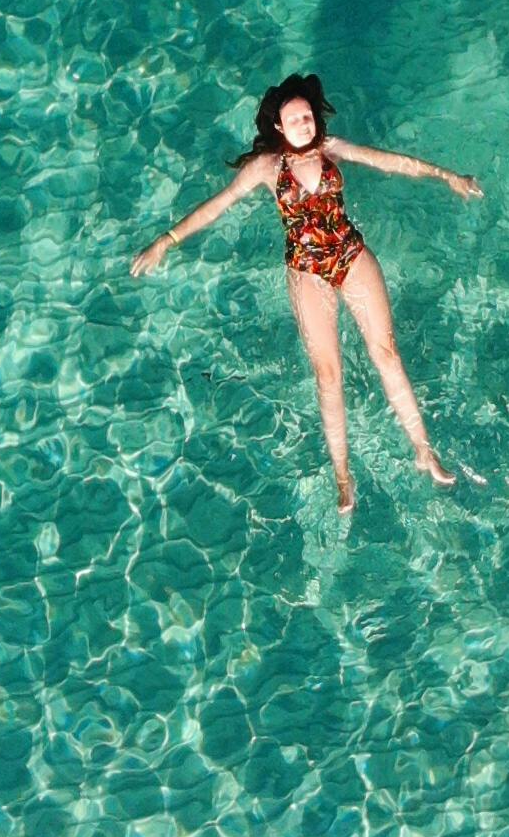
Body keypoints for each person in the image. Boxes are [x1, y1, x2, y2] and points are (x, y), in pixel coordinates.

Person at [131, 74, 481, 512]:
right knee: (328, 375)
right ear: (277, 126)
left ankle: (423, 450)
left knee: (387, 352)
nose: (303, 123)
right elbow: (217, 206)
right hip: (307, 270)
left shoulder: (331, 148)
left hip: (350, 255)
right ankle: (342, 473)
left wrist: (446, 175)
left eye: (307, 115)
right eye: (293, 118)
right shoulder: (265, 167)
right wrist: (166, 240)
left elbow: (390, 161)